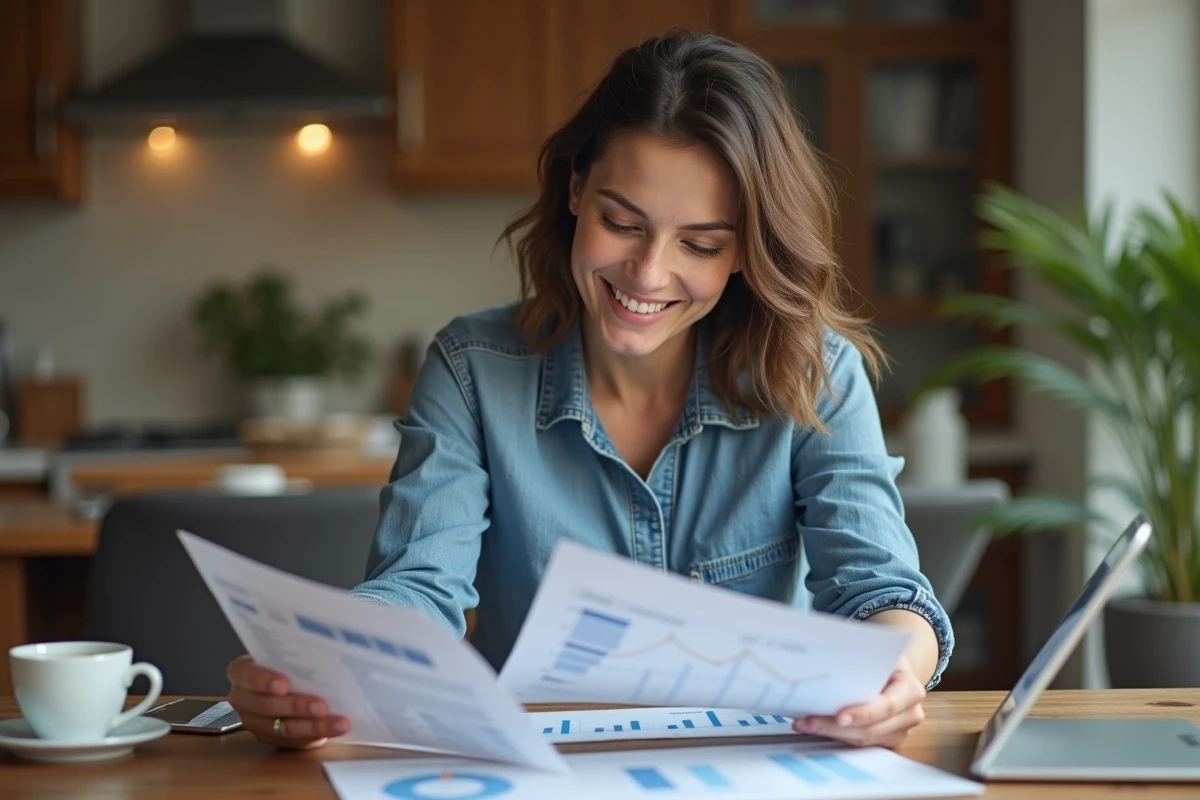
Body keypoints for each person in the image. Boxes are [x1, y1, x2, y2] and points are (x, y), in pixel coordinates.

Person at [226, 29, 952, 752]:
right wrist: (324, 671)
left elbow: (883, 591)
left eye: (700, 244)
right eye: (621, 222)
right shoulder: (472, 369)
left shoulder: (811, 373)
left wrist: (895, 673)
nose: (647, 274)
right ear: (575, 189)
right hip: (538, 767)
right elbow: (417, 589)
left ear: (745, 251)